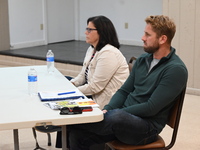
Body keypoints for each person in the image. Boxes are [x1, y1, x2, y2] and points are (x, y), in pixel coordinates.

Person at [66, 15, 188, 150]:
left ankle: (72, 121)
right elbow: (124, 91)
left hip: (146, 128)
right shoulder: (142, 60)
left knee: (115, 117)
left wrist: (114, 112)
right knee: (78, 134)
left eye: (148, 35)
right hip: (122, 119)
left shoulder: (175, 70)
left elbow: (151, 107)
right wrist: (109, 109)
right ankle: (74, 122)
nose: (142, 38)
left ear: (163, 39)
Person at [70, 15, 129, 109]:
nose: (85, 32)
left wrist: (70, 91)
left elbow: (95, 87)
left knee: (64, 99)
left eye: (89, 30)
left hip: (104, 102)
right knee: (65, 80)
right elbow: (82, 76)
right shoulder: (92, 49)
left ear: (101, 32)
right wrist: (71, 84)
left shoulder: (108, 53)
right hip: (93, 93)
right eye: (86, 29)